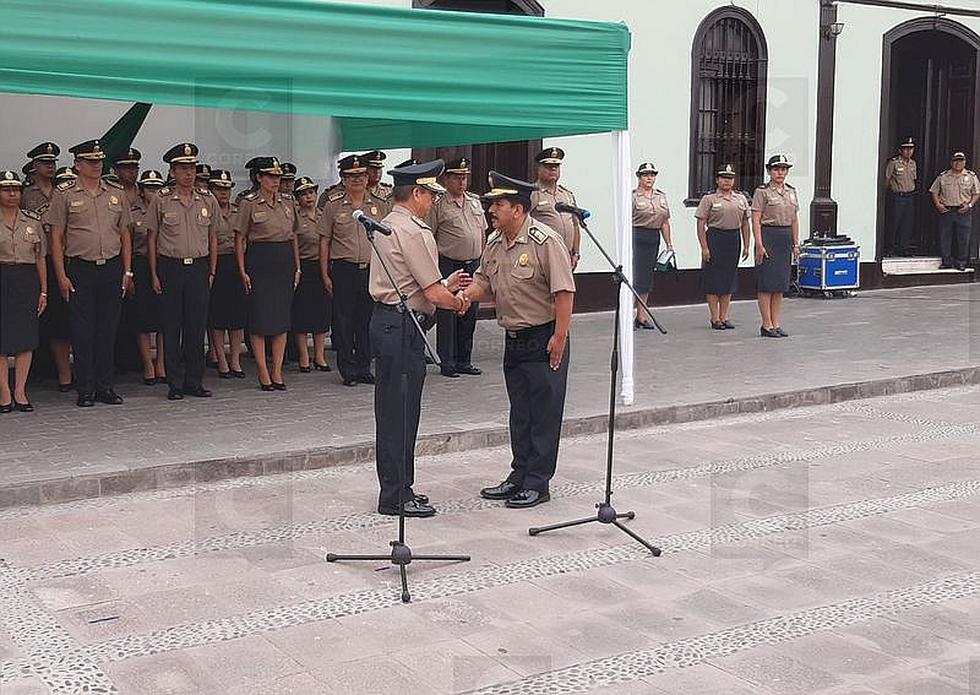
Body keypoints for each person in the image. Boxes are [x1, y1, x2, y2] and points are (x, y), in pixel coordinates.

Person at [461, 171, 576, 509]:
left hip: (544, 337)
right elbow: (484, 282)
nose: (491, 209)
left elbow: (564, 292)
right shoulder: (495, 242)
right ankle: (519, 474)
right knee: (521, 413)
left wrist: (559, 337)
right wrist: (465, 297)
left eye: (499, 204)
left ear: (519, 209)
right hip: (514, 339)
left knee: (544, 413)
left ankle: (538, 483)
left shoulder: (545, 241)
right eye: (491, 203)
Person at [369, 159, 472, 517]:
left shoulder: (387, 225)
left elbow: (413, 284)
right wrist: (455, 300)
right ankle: (395, 494)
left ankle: (400, 486)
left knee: (395, 411)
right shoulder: (414, 231)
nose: (432, 203)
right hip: (402, 328)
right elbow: (431, 293)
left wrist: (445, 287)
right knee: (400, 413)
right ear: (416, 193)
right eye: (430, 195)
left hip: (390, 322)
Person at [48, 138, 134, 407]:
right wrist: (61, 275)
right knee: (82, 331)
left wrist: (127, 271)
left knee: (108, 330)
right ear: (77, 165)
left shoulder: (115, 192)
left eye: (98, 161)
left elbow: (125, 234)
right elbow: (57, 237)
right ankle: (85, 388)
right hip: (80, 269)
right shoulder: (65, 194)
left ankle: (105, 386)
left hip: (110, 267)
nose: (96, 165)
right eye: (90, 161)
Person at [145, 143, 220, 400]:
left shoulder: (207, 199)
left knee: (196, 327)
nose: (188, 173)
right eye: (183, 169)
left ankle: (194, 381)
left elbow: (213, 238)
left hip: (198, 268)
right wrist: (154, 273)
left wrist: (211, 270)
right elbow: (152, 239)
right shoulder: (161, 199)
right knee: (171, 325)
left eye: (191, 168)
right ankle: (174, 382)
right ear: (172, 171)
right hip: (171, 267)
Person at [318, 154, 390, 386]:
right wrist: (324, 273)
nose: (357, 180)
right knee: (344, 320)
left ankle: (364, 367)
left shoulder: (379, 203)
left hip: (371, 269)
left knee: (367, 320)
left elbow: (388, 237)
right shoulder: (333, 204)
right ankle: (348, 370)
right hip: (343, 269)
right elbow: (324, 241)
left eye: (361, 175)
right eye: (352, 176)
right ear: (344, 179)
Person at [235, 156, 300, 391]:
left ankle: (277, 371)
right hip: (259, 261)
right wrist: (242, 270)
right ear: (259, 178)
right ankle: (263, 371)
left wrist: (297, 266)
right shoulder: (249, 203)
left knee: (281, 319)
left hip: (283, 261)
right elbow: (240, 238)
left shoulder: (288, 202)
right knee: (260, 319)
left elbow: (294, 236)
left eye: (277, 176)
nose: (275, 180)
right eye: (270, 176)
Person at [23, 143, 73, 391]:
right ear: (34, 167)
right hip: (34, 261)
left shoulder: (64, 191)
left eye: (53, 162)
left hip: (61, 259)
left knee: (62, 320)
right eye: (45, 163)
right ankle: (38, 369)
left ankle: (65, 375)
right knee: (37, 318)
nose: (50, 167)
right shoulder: (25, 195)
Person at [430, 156, 485, 377]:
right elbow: (429, 236)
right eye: (456, 178)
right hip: (449, 264)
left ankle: (464, 359)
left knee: (469, 311)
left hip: (472, 264)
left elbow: (482, 232)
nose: (462, 182)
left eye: (464, 177)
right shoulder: (438, 204)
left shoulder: (474, 201)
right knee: (448, 312)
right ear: (446, 179)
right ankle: (448, 362)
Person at [0, 171, 47, 412]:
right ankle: (4, 393)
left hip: (26, 280)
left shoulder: (32, 220)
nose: (11, 194)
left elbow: (40, 258)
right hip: (2, 276)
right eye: (6, 189)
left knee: (25, 338)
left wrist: (44, 291)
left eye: (16, 190)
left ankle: (20, 391)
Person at [695, 164, 750, 330]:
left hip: (733, 239)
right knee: (713, 279)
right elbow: (700, 223)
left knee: (729, 279)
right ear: (717, 180)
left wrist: (747, 245)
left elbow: (745, 223)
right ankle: (714, 318)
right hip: (715, 238)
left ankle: (725, 316)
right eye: (724, 178)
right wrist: (704, 247)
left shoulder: (740, 198)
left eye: (730, 178)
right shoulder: (709, 199)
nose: (727, 181)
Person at [752, 155, 800, 338]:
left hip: (784, 237)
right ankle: (766, 324)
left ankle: (776, 322)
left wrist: (796, 243)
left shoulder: (791, 191)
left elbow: (794, 219)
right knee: (766, 283)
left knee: (779, 284)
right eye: (776, 169)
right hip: (768, 235)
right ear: (769, 171)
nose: (780, 173)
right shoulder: (762, 191)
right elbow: (756, 218)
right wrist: (759, 243)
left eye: (783, 169)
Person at [207, 169, 247, 379]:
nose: (223, 193)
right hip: (215, 262)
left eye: (226, 189)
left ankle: (235, 359)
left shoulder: (237, 210)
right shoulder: (206, 210)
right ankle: (220, 358)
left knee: (237, 315)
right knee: (217, 314)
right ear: (211, 190)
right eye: (219, 189)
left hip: (236, 262)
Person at [290, 176, 332, 372]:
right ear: (297, 198)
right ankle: (304, 356)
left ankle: (320, 355)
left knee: (321, 312)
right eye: (304, 194)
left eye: (311, 192)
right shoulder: (295, 217)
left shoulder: (324, 214)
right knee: (302, 313)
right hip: (303, 268)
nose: (309, 197)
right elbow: (294, 246)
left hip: (322, 267)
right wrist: (296, 268)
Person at [130, 169, 167, 384]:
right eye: (149, 188)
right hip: (141, 264)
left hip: (165, 264)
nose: (153, 192)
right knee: (142, 319)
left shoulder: (168, 207)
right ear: (142, 191)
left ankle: (161, 362)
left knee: (164, 318)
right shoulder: (133, 211)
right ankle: (148, 364)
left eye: (157, 187)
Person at [631, 162, 673, 329]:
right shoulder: (633, 196)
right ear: (639, 177)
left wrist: (669, 244)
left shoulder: (660, 196)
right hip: (636, 237)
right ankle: (628, 314)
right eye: (646, 175)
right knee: (635, 276)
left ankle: (641, 316)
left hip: (653, 237)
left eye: (652, 175)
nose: (650, 178)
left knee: (646, 278)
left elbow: (665, 222)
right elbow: (625, 221)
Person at [530, 147, 581, 269]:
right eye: (548, 166)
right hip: (542, 256)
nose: (553, 169)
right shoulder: (532, 193)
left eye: (556, 166)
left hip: (566, 255)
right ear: (539, 169)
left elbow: (575, 225)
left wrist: (576, 253)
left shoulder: (566, 194)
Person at [929, 152, 980, 270]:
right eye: (956, 161)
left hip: (963, 211)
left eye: (961, 161)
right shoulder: (943, 176)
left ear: (965, 162)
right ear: (951, 162)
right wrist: (937, 204)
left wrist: (970, 205)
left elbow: (976, 193)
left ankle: (961, 261)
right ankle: (946, 261)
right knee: (945, 237)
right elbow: (934, 191)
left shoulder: (971, 176)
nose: (958, 163)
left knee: (963, 238)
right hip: (947, 210)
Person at [883, 137, 917, 256]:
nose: (909, 151)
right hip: (897, 196)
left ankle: (903, 248)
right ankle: (890, 248)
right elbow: (887, 179)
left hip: (909, 196)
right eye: (906, 149)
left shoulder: (913, 163)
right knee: (894, 223)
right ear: (900, 150)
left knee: (907, 223)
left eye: (911, 149)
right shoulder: (894, 163)